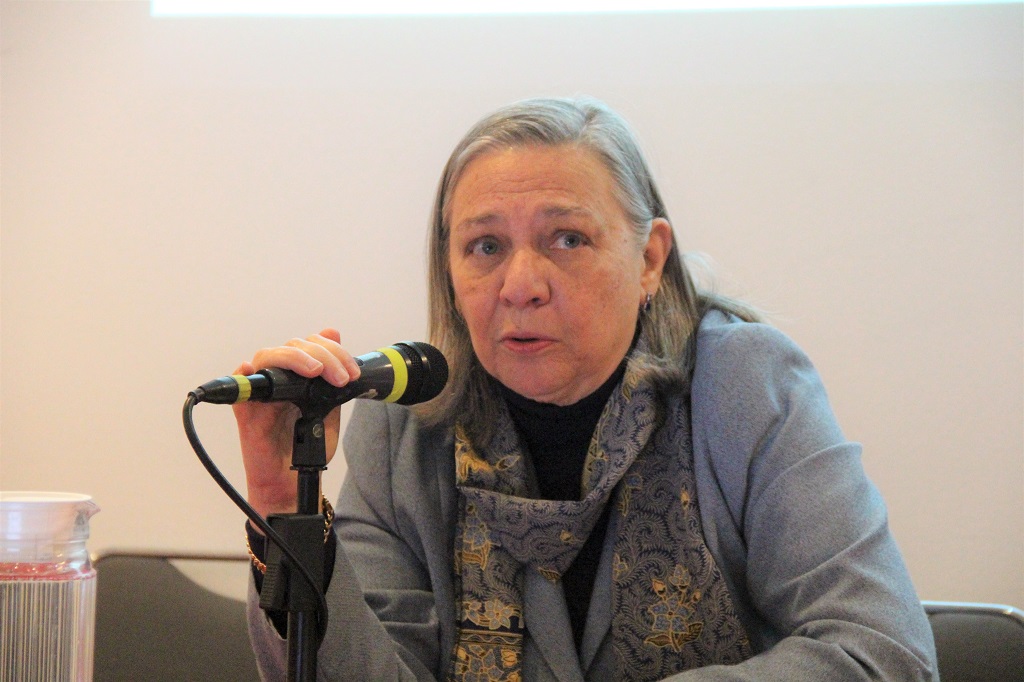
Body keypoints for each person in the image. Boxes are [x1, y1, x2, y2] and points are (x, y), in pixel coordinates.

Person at [236, 97, 938, 681]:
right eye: (486, 246)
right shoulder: (405, 423)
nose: (520, 285)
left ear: (649, 259)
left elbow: (880, 653)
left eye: (567, 239)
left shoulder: (746, 385)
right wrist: (277, 503)